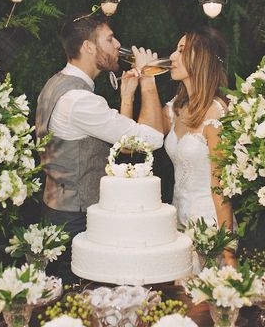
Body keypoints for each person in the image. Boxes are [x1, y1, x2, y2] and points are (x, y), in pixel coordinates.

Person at [35, 15, 164, 284]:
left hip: (57, 209)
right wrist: (148, 77)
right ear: (88, 47)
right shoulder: (80, 101)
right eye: (109, 38)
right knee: (79, 300)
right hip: (76, 220)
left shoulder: (57, 85)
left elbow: (119, 147)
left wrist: (127, 97)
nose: (118, 44)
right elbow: (150, 140)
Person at [162, 26, 236, 265]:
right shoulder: (175, 108)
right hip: (177, 228)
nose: (172, 56)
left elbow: (220, 187)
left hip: (209, 230)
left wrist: (229, 255)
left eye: (181, 50)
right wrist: (143, 84)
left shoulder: (216, 112)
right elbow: (141, 138)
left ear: (201, 58)